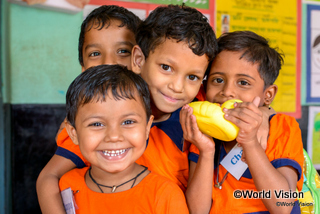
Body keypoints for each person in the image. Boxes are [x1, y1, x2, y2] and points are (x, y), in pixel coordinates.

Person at [180, 31, 304, 214]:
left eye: (243, 82)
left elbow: (283, 206)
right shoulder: (203, 130)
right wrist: (206, 150)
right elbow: (198, 210)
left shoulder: (282, 127)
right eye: (218, 80)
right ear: (205, 88)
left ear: (267, 95)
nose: (227, 91)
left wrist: (250, 142)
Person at [36, 5, 141, 214]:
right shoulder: (88, 127)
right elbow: (48, 178)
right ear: (83, 67)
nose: (109, 63)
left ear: (140, 58)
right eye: (95, 53)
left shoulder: (167, 106)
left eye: (122, 51)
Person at [59, 64, 188, 214]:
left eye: (128, 122)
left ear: (147, 128)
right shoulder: (67, 186)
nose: (114, 136)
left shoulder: (164, 194)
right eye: (97, 124)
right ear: (73, 133)